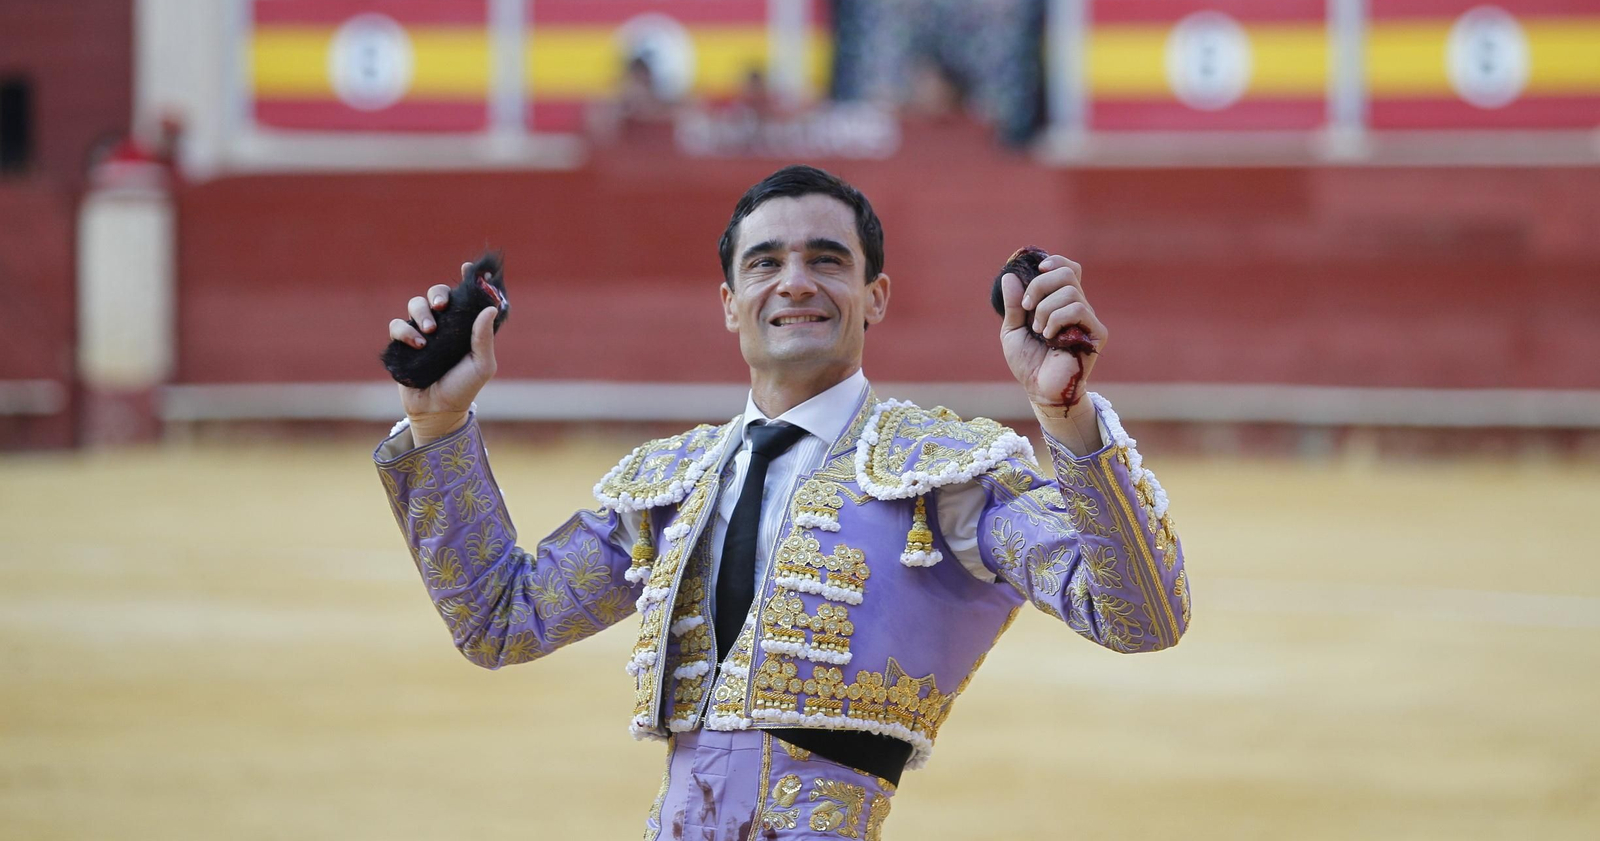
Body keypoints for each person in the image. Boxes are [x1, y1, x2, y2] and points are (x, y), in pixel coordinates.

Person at [374, 165, 1190, 839]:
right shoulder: (674, 483)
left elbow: (1140, 615)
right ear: (729, 302)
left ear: (876, 295)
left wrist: (1067, 417)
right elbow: (503, 620)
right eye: (765, 263)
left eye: (827, 260)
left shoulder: (946, 474)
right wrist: (438, 421)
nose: (794, 282)